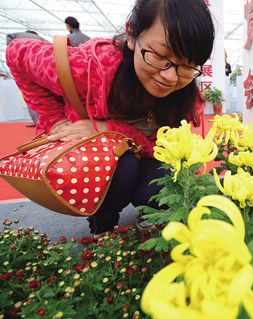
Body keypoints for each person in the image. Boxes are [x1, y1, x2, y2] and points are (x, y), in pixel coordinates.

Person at [6, 0, 215, 235]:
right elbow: (16, 53)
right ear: (132, 35)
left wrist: (107, 128)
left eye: (187, 65)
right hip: (99, 159)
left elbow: (164, 148)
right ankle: (103, 226)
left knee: (164, 181)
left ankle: (149, 212)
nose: (170, 77)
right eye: (160, 56)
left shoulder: (186, 96)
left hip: (143, 152)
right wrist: (55, 120)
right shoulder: (89, 69)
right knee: (123, 167)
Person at [6, 30, 47, 127]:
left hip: (24, 67)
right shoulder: (42, 39)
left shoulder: (15, 34)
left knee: (31, 95)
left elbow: (10, 47)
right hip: (41, 68)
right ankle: (46, 121)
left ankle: (37, 121)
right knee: (44, 95)